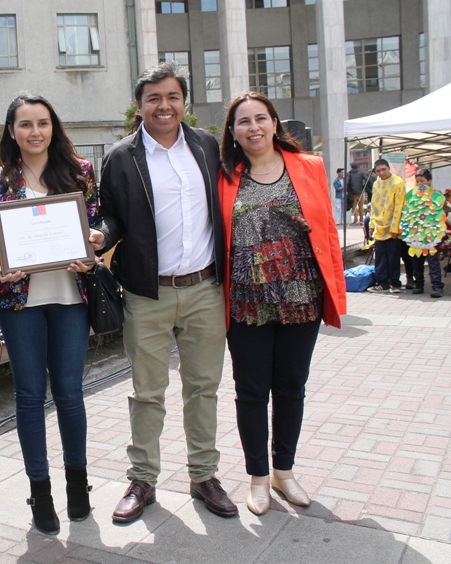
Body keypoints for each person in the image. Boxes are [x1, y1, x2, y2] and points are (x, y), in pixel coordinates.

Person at [94, 61, 237, 523]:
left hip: (204, 290)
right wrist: (101, 236)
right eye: (153, 98)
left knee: (203, 387)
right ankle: (143, 479)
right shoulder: (120, 157)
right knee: (147, 391)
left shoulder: (207, 147)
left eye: (172, 96)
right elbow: (113, 216)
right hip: (146, 294)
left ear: (184, 102)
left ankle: (204, 475)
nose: (164, 105)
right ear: (139, 106)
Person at [218, 91, 346, 516]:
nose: (253, 127)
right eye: (243, 121)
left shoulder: (309, 166)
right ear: (233, 132)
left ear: (275, 123)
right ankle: (257, 476)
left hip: (300, 298)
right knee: (251, 391)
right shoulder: (223, 175)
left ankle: (284, 472)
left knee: (291, 387)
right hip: (247, 303)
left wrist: (337, 293)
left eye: (261, 118)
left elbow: (327, 230)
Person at [0, 93, 101, 535]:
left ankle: (77, 483)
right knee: (30, 396)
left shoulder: (79, 172)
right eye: (25, 124)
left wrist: (92, 249)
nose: (35, 132)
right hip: (21, 302)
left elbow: (96, 223)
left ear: (54, 126)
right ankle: (41, 489)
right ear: (11, 130)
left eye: (42, 122)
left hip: (70, 297)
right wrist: (0, 264)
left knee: (70, 394)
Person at [367, 159, 406, 293]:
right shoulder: (376, 183)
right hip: (379, 227)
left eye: (384, 169)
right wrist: (371, 224)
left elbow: (398, 207)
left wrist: (395, 228)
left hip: (392, 227)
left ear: (389, 168)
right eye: (378, 171)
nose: (381, 173)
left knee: (393, 257)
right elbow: (374, 205)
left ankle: (395, 283)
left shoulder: (398, 183)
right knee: (380, 257)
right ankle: (382, 282)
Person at [409, 169, 445, 298]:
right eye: (417, 181)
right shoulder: (413, 196)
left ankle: (437, 286)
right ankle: (419, 284)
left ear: (429, 181)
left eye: (422, 181)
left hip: (431, 235)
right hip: (417, 234)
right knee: (417, 261)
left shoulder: (436, 195)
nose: (419, 184)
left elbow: (440, 214)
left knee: (432, 261)